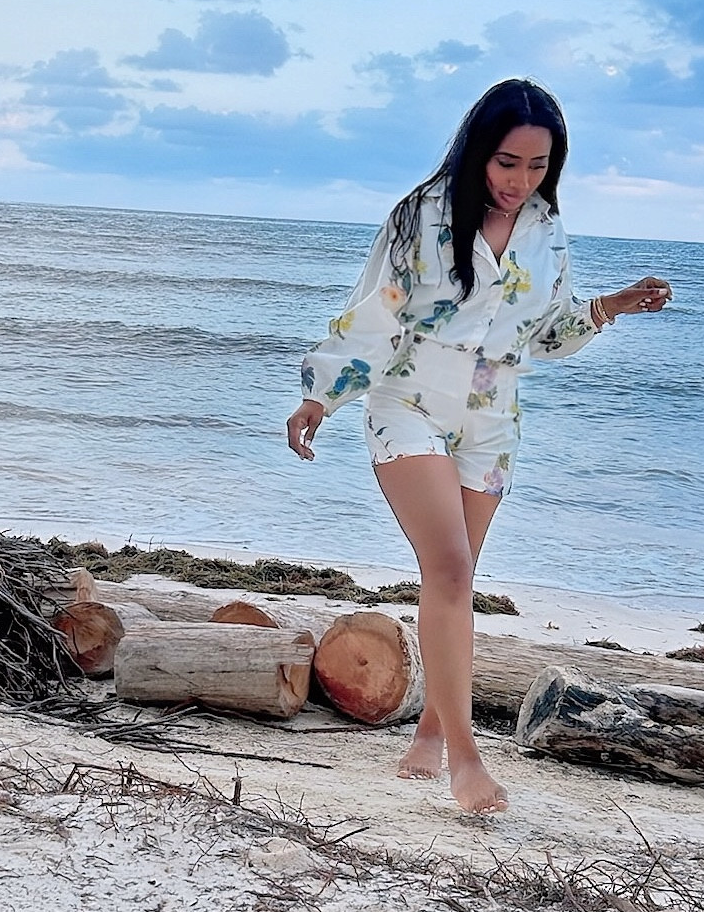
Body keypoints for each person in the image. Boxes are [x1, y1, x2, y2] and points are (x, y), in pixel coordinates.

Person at [286, 78, 671, 816]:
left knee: (455, 583)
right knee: (451, 566)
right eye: (505, 162)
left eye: (535, 166)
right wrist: (320, 393)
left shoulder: (544, 228)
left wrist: (610, 306)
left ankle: (431, 732)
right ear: (475, 152)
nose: (518, 181)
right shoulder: (421, 216)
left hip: (491, 418)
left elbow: (545, 333)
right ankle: (467, 760)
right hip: (407, 399)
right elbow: (377, 312)